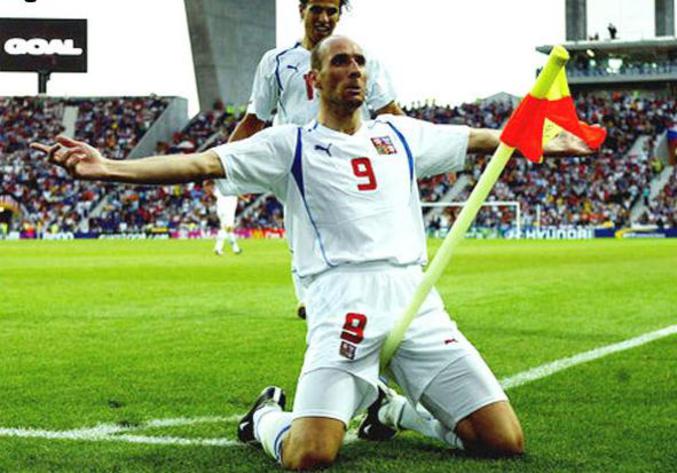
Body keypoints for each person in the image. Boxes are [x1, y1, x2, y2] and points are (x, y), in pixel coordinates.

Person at [32, 36, 593, 471]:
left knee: (502, 442)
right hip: (341, 307)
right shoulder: (289, 144)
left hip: (416, 302)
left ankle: (393, 410)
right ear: (314, 77)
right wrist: (110, 168)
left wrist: (550, 140)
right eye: (341, 63)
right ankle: (267, 417)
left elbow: (485, 138)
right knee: (309, 457)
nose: (354, 71)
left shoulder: (399, 134)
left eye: (360, 63)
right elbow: (203, 163)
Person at [228, 0, 403, 320]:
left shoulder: (362, 61)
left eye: (332, 11)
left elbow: (390, 114)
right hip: (299, 162)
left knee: (359, 231)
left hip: (352, 157)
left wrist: (412, 152)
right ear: (301, 10)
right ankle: (311, 297)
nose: (324, 18)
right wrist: (230, 165)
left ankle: (366, 297)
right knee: (303, 229)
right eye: (316, 10)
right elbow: (255, 119)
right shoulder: (277, 62)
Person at [213, 189, 242, 255]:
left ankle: (236, 249)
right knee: (227, 229)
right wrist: (245, 198)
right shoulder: (232, 186)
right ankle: (218, 248)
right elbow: (238, 193)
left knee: (229, 230)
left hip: (220, 210)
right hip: (228, 210)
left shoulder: (219, 187)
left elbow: (215, 194)